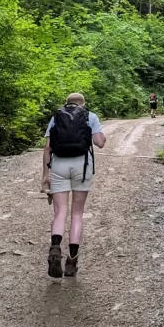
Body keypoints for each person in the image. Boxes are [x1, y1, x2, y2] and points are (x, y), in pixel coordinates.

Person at [41, 92, 106, 278]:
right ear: (82, 104)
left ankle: (55, 248)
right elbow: (99, 143)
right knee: (77, 213)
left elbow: (47, 148)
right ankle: (71, 261)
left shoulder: (56, 117)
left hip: (59, 164)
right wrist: (101, 135)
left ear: (66, 103)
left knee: (60, 211)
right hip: (82, 165)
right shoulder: (90, 116)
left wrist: (46, 175)